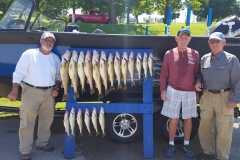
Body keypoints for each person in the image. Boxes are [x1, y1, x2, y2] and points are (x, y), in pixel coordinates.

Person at [7, 32, 61, 160]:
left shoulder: (55, 58)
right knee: (27, 121)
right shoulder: (29, 54)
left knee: (46, 120)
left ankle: (42, 143)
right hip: (31, 90)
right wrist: (14, 91)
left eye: (52, 41)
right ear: (41, 41)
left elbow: (58, 76)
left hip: (49, 93)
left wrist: (56, 88)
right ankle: (25, 150)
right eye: (47, 40)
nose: (49, 43)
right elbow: (18, 73)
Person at [195, 32, 240, 160]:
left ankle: (222, 157)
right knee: (204, 127)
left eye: (217, 41)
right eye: (212, 41)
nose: (215, 44)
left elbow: (238, 81)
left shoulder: (232, 59)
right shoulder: (204, 58)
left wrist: (235, 100)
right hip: (207, 96)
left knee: (224, 130)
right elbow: (201, 76)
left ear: (223, 42)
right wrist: (199, 81)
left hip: (224, 96)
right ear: (209, 43)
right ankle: (208, 152)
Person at [160, 28, 200, 158]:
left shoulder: (195, 54)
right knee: (174, 119)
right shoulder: (169, 54)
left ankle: (186, 144)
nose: (183, 40)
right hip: (173, 90)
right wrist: (163, 90)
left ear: (190, 39)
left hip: (190, 92)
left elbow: (196, 75)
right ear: (176, 39)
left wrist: (197, 92)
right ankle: (171, 144)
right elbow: (164, 74)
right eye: (181, 37)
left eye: (186, 38)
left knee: (188, 119)